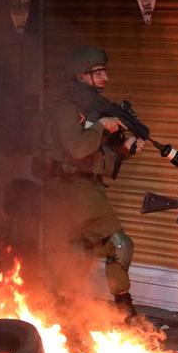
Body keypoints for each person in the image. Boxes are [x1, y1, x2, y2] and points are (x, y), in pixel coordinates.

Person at [40, 46, 145, 323]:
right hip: (72, 190)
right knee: (120, 245)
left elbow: (98, 158)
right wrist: (104, 126)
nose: (106, 78)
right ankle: (125, 311)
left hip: (83, 188)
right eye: (99, 73)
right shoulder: (66, 110)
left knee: (77, 258)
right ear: (81, 76)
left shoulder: (90, 110)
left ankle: (69, 317)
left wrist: (124, 149)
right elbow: (77, 149)